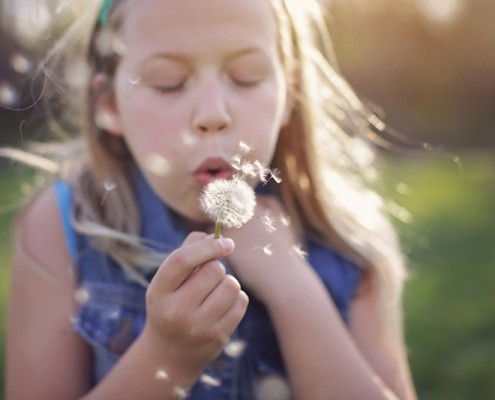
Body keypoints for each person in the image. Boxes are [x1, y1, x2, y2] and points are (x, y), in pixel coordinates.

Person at [5, 0, 418, 398]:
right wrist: (165, 357)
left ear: (289, 90)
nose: (213, 113)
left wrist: (295, 290)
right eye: (169, 83)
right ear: (110, 105)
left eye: (246, 77)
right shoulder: (62, 227)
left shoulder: (346, 237)